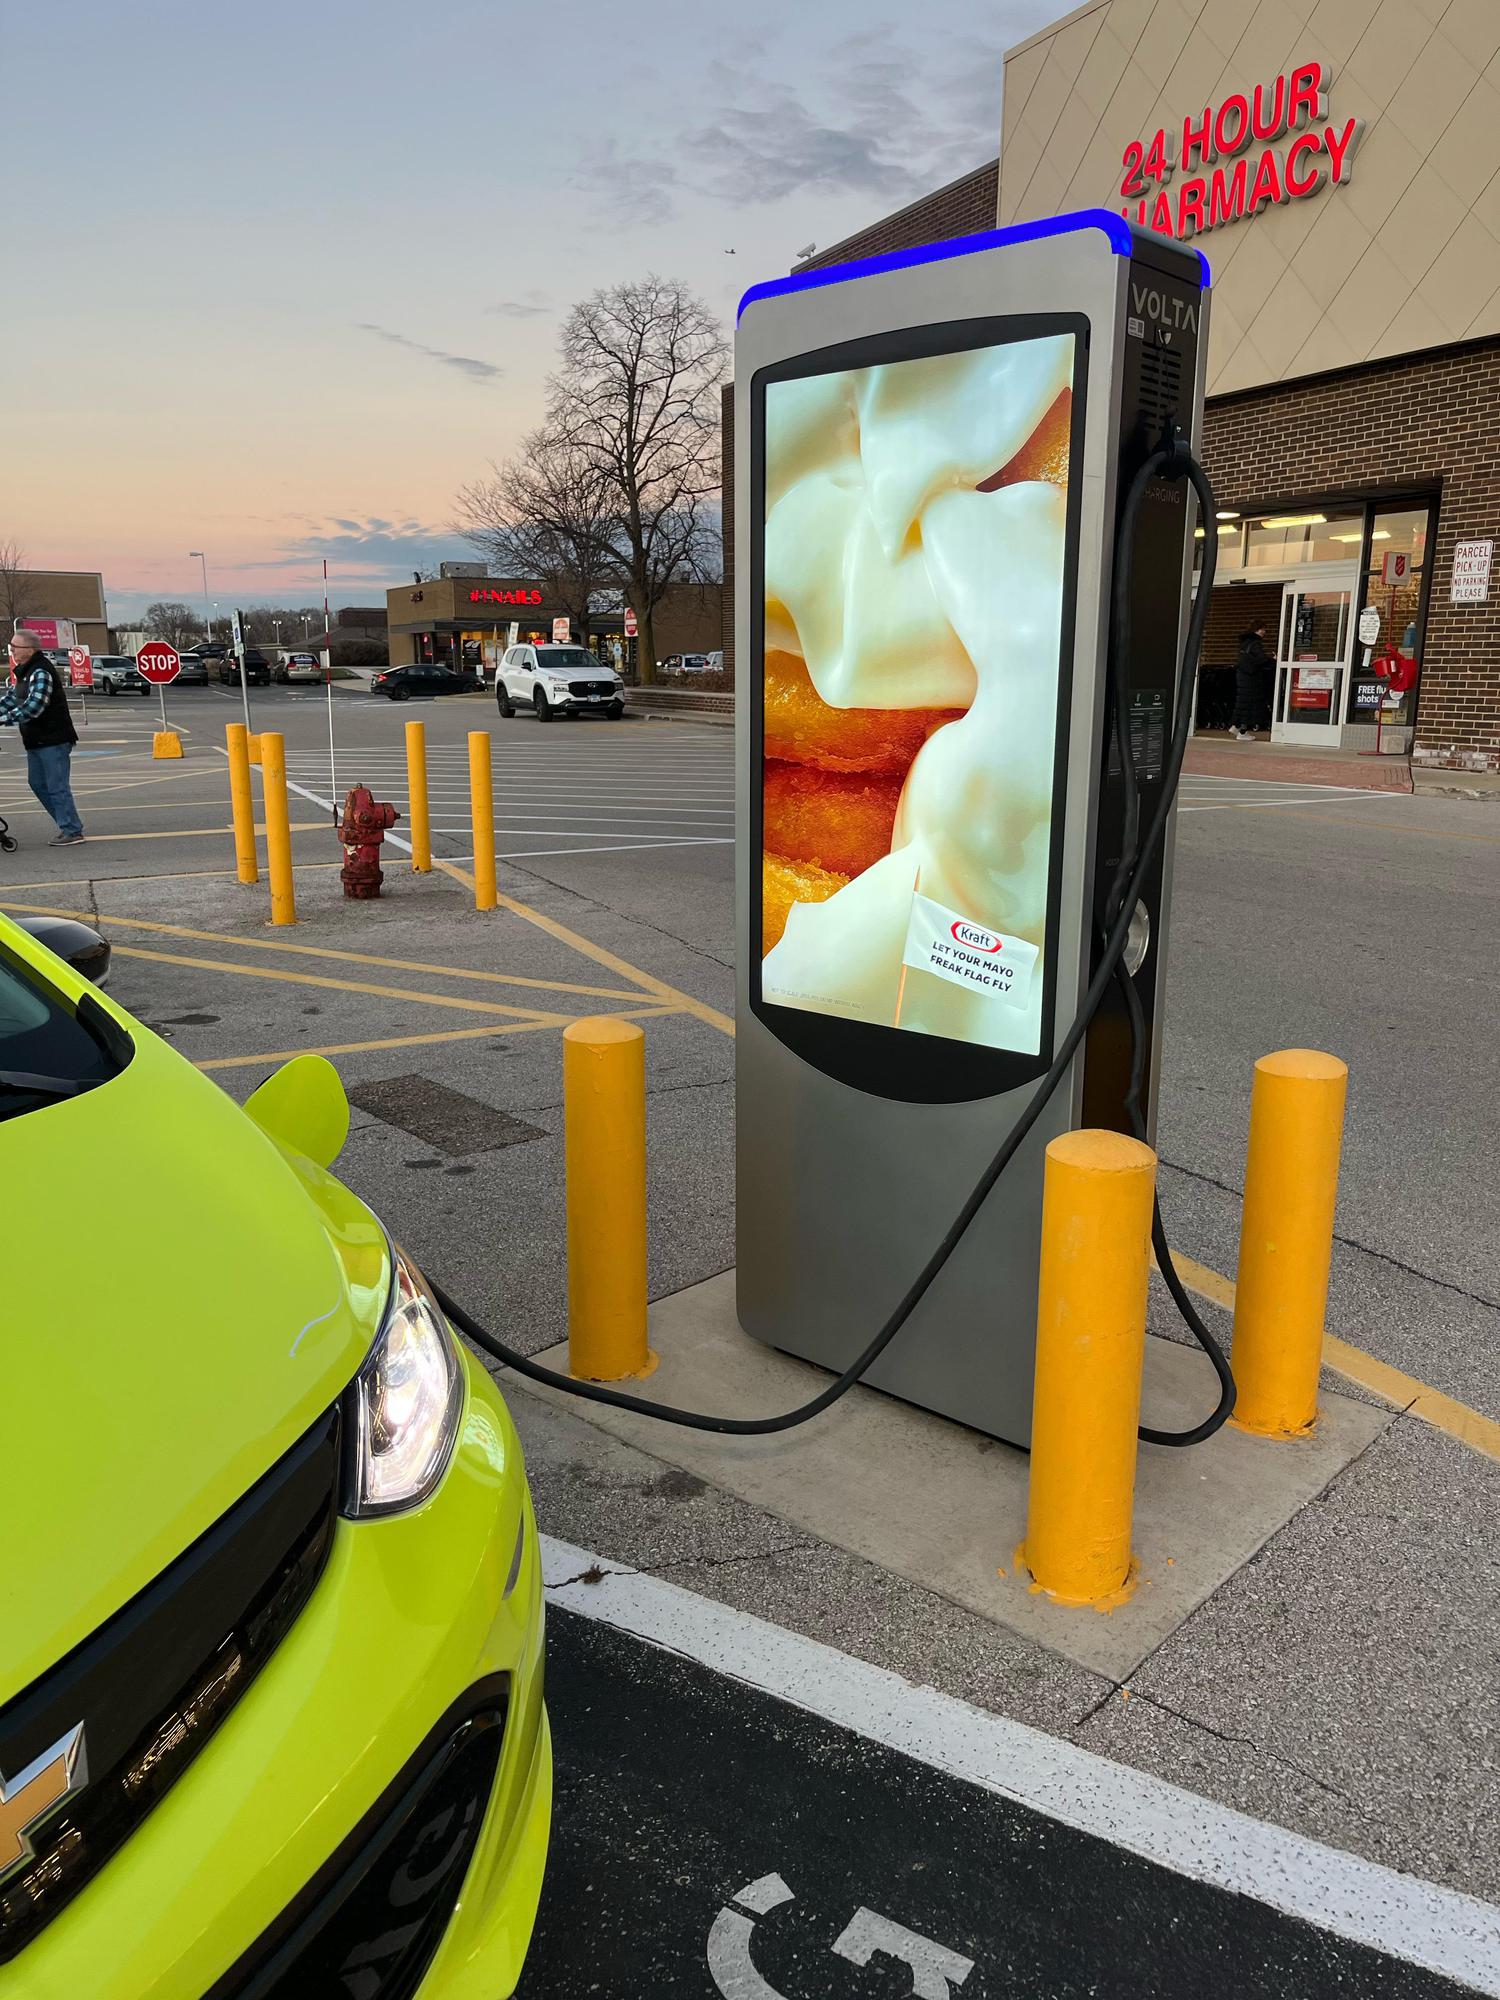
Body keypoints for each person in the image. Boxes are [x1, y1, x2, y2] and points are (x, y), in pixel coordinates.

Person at [2, 630, 85, 844]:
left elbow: (35, 706)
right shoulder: (24, 672)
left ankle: (72, 830)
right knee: (38, 783)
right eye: (11, 647)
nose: (12, 651)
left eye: (15, 647)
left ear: (30, 650)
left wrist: (4, 719)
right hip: (36, 740)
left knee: (56, 787)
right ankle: (68, 824)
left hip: (53, 740)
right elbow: (12, 699)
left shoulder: (41, 671)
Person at [1230, 622, 1270, 740]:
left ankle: (1236, 726)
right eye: (1262, 629)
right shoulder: (1255, 643)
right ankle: (1242, 731)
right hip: (1251, 678)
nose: (1264, 632)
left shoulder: (1244, 643)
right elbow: (1262, 659)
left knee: (1243, 703)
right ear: (1256, 630)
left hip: (1242, 676)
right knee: (1250, 704)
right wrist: (1272, 660)